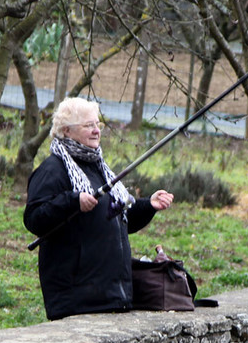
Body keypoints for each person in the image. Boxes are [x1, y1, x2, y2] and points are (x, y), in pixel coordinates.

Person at [24, 97, 174, 320]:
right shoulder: (52, 170)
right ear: (67, 131)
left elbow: (116, 219)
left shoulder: (98, 167)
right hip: (77, 300)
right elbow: (34, 218)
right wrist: (73, 200)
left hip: (111, 297)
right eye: (88, 126)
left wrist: (147, 206)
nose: (96, 131)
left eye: (98, 125)